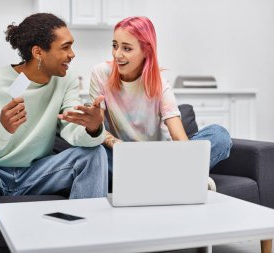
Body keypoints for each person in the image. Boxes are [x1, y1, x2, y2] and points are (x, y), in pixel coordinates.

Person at [0, 13, 108, 253]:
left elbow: (72, 129)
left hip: (36, 174)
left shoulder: (65, 82)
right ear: (38, 52)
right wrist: (0, 129)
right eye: (65, 47)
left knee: (95, 154)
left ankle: (83, 247)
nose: (72, 55)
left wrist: (92, 126)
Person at [89, 16, 232, 191]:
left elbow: (180, 139)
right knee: (94, 155)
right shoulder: (100, 73)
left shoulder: (160, 85)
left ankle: (160, 176)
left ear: (146, 51)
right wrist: (117, 144)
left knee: (220, 134)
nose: (117, 54)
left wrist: (187, 158)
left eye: (126, 48)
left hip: (161, 156)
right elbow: (97, 129)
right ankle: (182, 178)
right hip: (122, 158)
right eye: (115, 45)